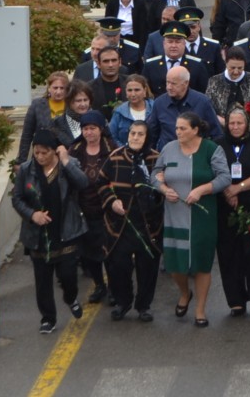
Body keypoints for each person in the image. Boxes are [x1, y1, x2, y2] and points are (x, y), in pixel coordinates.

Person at [155, 112, 231, 327]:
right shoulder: (168, 149)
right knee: (176, 264)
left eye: (182, 128)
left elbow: (224, 177)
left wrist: (202, 190)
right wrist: (162, 188)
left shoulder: (211, 149)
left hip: (202, 215)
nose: (178, 132)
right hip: (174, 214)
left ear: (195, 130)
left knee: (202, 264)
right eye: (176, 128)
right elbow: (155, 173)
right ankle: (184, 293)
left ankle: (200, 310)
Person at [11, 129, 89, 334]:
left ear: (55, 151)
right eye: (36, 152)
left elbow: (82, 183)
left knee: (68, 275)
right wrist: (32, 215)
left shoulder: (68, 165)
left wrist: (65, 161)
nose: (40, 157)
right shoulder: (27, 170)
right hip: (38, 234)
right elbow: (17, 198)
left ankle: (70, 297)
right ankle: (48, 318)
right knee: (43, 280)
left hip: (66, 230)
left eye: (45, 152)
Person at [101, 119, 162, 322]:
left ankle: (144, 305)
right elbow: (101, 183)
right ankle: (122, 302)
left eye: (140, 134)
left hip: (148, 224)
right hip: (120, 225)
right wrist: (112, 201)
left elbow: (164, 186)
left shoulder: (156, 159)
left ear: (147, 137)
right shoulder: (115, 157)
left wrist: (157, 196)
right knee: (118, 266)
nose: (135, 137)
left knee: (148, 267)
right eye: (132, 133)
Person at [214, 106, 250, 318]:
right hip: (225, 204)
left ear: (247, 123)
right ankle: (235, 300)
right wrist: (228, 191)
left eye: (239, 123)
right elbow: (215, 170)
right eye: (231, 123)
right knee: (229, 254)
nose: (235, 127)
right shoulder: (219, 143)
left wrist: (238, 188)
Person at [70, 111, 116, 305]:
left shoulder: (112, 150)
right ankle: (99, 285)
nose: (89, 133)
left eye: (92, 128)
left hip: (106, 209)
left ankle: (114, 287)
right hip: (83, 210)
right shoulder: (75, 150)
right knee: (89, 254)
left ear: (101, 129)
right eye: (85, 129)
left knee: (110, 252)